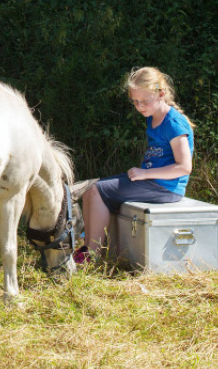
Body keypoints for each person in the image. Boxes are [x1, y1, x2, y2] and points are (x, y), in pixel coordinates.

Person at [77, 67, 195, 263]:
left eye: (145, 101)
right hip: (152, 182)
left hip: (166, 188)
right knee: (91, 190)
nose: (140, 106)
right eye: (135, 102)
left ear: (161, 94)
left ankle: (92, 257)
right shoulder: (153, 118)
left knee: (98, 191)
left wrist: (145, 174)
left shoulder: (174, 123)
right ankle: (86, 249)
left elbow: (184, 167)